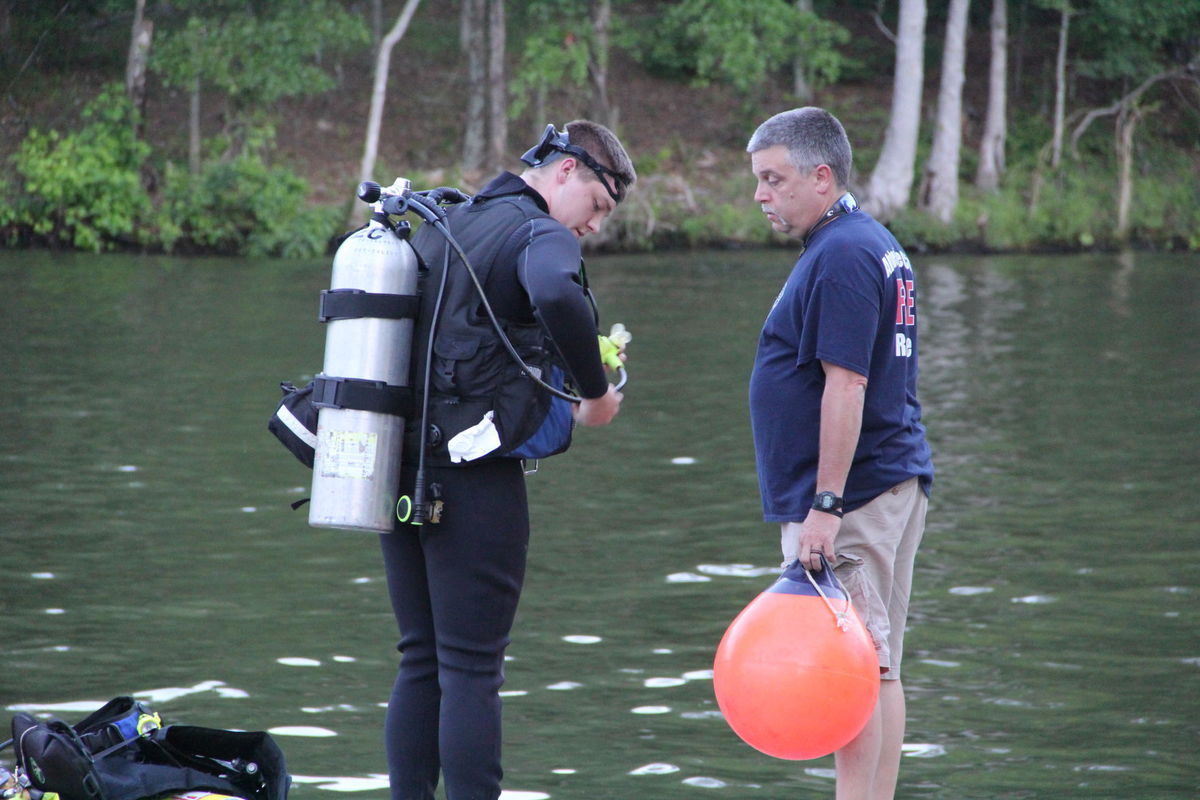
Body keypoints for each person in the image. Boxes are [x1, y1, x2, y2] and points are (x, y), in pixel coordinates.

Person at [378, 119, 636, 800]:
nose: (596, 227)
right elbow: (554, 292)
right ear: (563, 172)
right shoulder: (538, 232)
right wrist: (595, 392)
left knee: (422, 661)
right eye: (599, 206)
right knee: (470, 668)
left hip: (396, 472)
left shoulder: (448, 222)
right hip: (474, 485)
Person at [745, 107, 934, 799]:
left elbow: (847, 383)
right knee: (878, 665)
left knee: (855, 668)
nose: (761, 195)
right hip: (883, 482)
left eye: (774, 178)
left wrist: (824, 504)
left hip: (852, 497)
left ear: (821, 177)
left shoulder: (846, 254)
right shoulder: (867, 242)